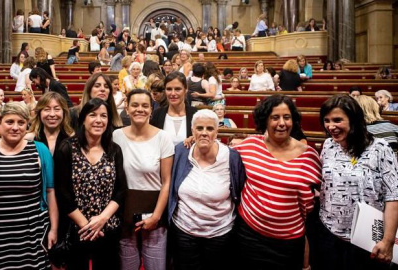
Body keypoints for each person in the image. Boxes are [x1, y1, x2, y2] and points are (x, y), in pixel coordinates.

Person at [233, 94, 322, 269]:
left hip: (289, 243)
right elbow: (219, 155)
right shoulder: (249, 146)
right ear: (265, 121)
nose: (282, 123)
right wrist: (193, 141)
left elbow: (314, 202)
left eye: (287, 117)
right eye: (275, 117)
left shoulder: (309, 155)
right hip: (249, 237)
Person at [316, 94, 398, 269]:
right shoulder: (329, 145)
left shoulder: (380, 148)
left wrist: (388, 241)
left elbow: (393, 196)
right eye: (326, 120)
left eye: (338, 120)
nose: (331, 126)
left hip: (367, 238)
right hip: (329, 234)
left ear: (354, 120)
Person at [0, 102, 58, 270]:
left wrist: (54, 229)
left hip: (31, 235)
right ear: (0, 122)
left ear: (27, 124)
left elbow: (50, 191)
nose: (15, 127)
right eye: (9, 122)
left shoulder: (39, 150)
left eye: (21, 122)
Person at [54, 98, 126, 269]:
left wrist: (102, 219)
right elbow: (62, 192)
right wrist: (87, 227)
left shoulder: (114, 150)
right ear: (83, 119)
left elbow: (121, 190)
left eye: (104, 116)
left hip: (107, 226)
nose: (98, 120)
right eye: (93, 115)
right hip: (77, 228)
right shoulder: (67, 148)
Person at [168, 109, 246, 270]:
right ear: (192, 131)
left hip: (220, 233)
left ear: (217, 131)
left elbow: (238, 191)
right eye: (199, 128)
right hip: (184, 231)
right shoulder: (181, 152)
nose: (204, 133)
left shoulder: (231, 157)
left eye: (210, 129)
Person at [112, 89, 174, 270]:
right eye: (135, 105)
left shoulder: (163, 138)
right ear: (127, 108)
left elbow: (166, 182)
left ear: (151, 109)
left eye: (145, 106)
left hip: (154, 211)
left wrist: (156, 216)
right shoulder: (116, 136)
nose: (140, 109)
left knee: (155, 266)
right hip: (124, 211)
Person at [151, 72, 198, 145]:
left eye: (177, 89)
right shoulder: (157, 114)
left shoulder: (196, 115)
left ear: (186, 90)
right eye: (169, 89)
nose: (173, 93)